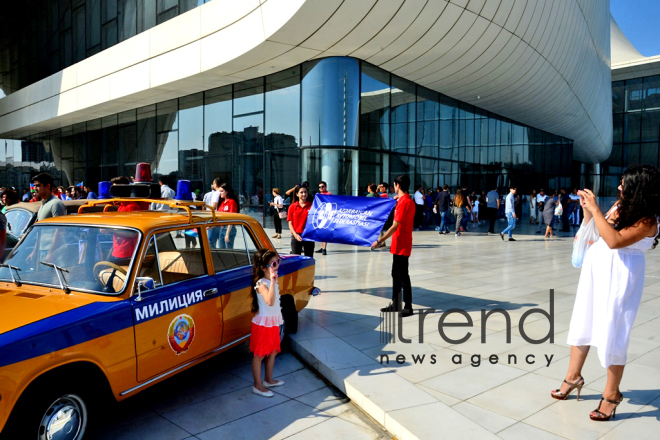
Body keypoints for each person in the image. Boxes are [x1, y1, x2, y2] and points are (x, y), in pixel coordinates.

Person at [551, 165, 660, 422]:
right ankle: (573, 376)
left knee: (613, 330)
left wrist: (597, 209)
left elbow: (614, 240)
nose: (620, 186)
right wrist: (589, 210)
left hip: (621, 275)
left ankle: (611, 394)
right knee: (582, 321)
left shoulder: (649, 220)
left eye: (624, 183)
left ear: (638, 188)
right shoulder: (621, 206)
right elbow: (597, 230)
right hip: (596, 270)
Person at [373, 175, 415, 317]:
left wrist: (380, 241)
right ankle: (396, 304)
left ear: (397, 185)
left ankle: (408, 306)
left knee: (403, 276)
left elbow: (394, 226)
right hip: (398, 243)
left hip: (402, 244)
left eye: (394, 185)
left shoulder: (404, 203)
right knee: (395, 274)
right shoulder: (404, 200)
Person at [250, 249, 285, 398]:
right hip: (264, 324)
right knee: (260, 354)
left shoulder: (271, 281)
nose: (276, 265)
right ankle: (257, 385)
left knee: (273, 351)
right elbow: (270, 301)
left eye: (278, 261)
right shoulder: (261, 284)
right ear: (263, 267)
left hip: (273, 322)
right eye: (273, 264)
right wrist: (272, 281)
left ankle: (268, 379)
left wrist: (273, 280)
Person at [287, 186, 314, 256]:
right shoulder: (292, 207)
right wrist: (295, 235)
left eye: (305, 192)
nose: (304, 194)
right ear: (297, 194)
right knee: (296, 258)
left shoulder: (312, 206)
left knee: (309, 258)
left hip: (308, 236)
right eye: (301, 192)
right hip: (296, 235)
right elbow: (290, 224)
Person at [217, 183, 240, 248]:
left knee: (228, 249)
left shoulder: (231, 202)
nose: (220, 193)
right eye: (220, 191)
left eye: (222, 191)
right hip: (222, 228)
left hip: (229, 228)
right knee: (221, 249)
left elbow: (231, 218)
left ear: (227, 191)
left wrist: (227, 233)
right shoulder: (222, 203)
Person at [315, 181, 331, 256]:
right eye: (320, 187)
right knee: (321, 232)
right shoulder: (318, 195)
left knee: (324, 232)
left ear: (326, 187)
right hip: (320, 215)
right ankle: (322, 247)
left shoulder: (328, 194)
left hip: (326, 215)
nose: (321, 188)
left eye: (322, 186)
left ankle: (324, 248)